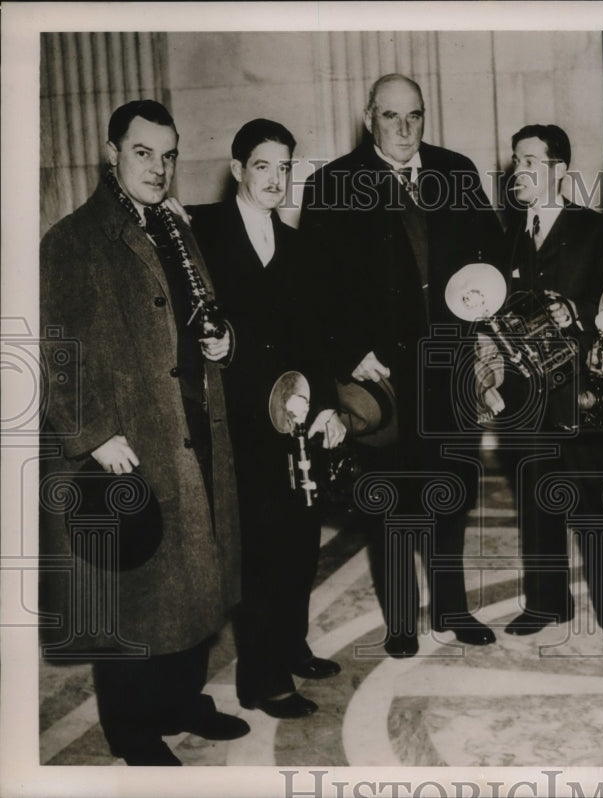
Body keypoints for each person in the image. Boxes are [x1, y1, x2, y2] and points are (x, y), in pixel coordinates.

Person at [39, 100, 248, 765]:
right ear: (110, 152)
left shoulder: (177, 229)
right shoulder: (73, 239)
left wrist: (222, 343)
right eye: (142, 153)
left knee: (195, 586)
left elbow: (202, 313)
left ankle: (181, 702)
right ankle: (132, 730)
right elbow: (53, 348)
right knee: (135, 595)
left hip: (195, 429)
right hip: (129, 443)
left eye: (169, 155)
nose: (158, 168)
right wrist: (94, 434)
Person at [299, 74, 504, 658]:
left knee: (450, 492)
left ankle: (451, 605)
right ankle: (399, 621)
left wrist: (484, 330)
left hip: (450, 366)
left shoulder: (456, 172)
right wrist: (347, 354)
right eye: (392, 117)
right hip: (379, 377)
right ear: (370, 119)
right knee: (388, 500)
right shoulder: (332, 184)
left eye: (415, 115)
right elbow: (314, 295)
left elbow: (489, 257)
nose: (406, 128)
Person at [188, 119, 347, 719]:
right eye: (264, 166)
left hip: (298, 417)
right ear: (237, 170)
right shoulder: (202, 234)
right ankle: (261, 679)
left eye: (285, 167)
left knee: (301, 542)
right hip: (235, 424)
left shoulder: (299, 244)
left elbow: (313, 337)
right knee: (258, 551)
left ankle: (290, 645)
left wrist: (328, 404)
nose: (277, 179)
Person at [490, 124, 603, 649]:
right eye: (515, 160)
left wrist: (574, 310)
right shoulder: (507, 232)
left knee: (599, 505)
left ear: (558, 169)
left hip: (582, 393)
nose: (517, 171)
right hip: (523, 395)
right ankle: (546, 602)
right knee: (536, 500)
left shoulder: (598, 230)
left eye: (529, 160)